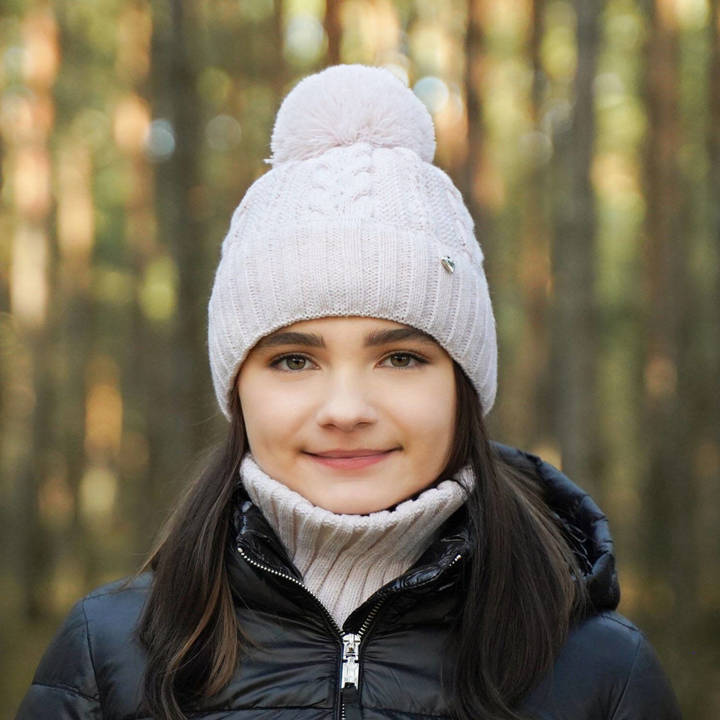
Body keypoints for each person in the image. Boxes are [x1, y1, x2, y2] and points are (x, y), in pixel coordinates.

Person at [16, 64, 681, 720]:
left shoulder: (601, 674)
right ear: (238, 388)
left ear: (462, 387)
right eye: (293, 361)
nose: (345, 411)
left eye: (399, 356)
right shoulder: (107, 657)